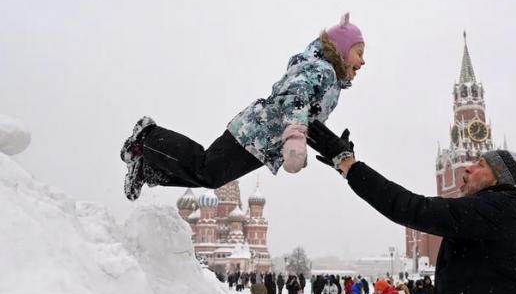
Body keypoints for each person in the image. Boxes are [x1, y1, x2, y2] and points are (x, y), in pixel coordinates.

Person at [306, 121, 516, 294]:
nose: (468, 169)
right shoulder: (494, 216)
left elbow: (412, 208)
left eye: (481, 165)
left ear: (500, 179)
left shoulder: (497, 210)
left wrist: (349, 165)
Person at [119, 13, 366, 200]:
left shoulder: (330, 82)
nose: (363, 61)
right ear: (341, 50)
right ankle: (147, 138)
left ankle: (148, 168)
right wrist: (294, 137)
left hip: (265, 144)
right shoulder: (321, 69)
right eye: (358, 52)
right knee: (205, 168)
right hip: (255, 132)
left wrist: (335, 149)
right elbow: (294, 96)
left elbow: (309, 118)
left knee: (211, 176)